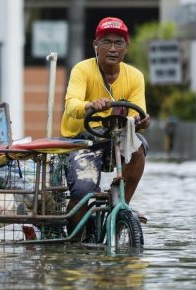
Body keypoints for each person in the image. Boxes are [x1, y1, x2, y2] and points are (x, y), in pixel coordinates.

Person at [61, 17, 151, 235]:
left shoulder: (135, 76)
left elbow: (136, 114)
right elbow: (71, 104)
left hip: (113, 139)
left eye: (118, 43)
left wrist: (142, 122)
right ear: (96, 45)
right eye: (107, 42)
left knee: (138, 147)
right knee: (83, 191)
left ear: (126, 48)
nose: (112, 48)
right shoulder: (82, 70)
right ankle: (76, 241)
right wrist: (90, 106)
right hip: (80, 140)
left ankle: (120, 206)